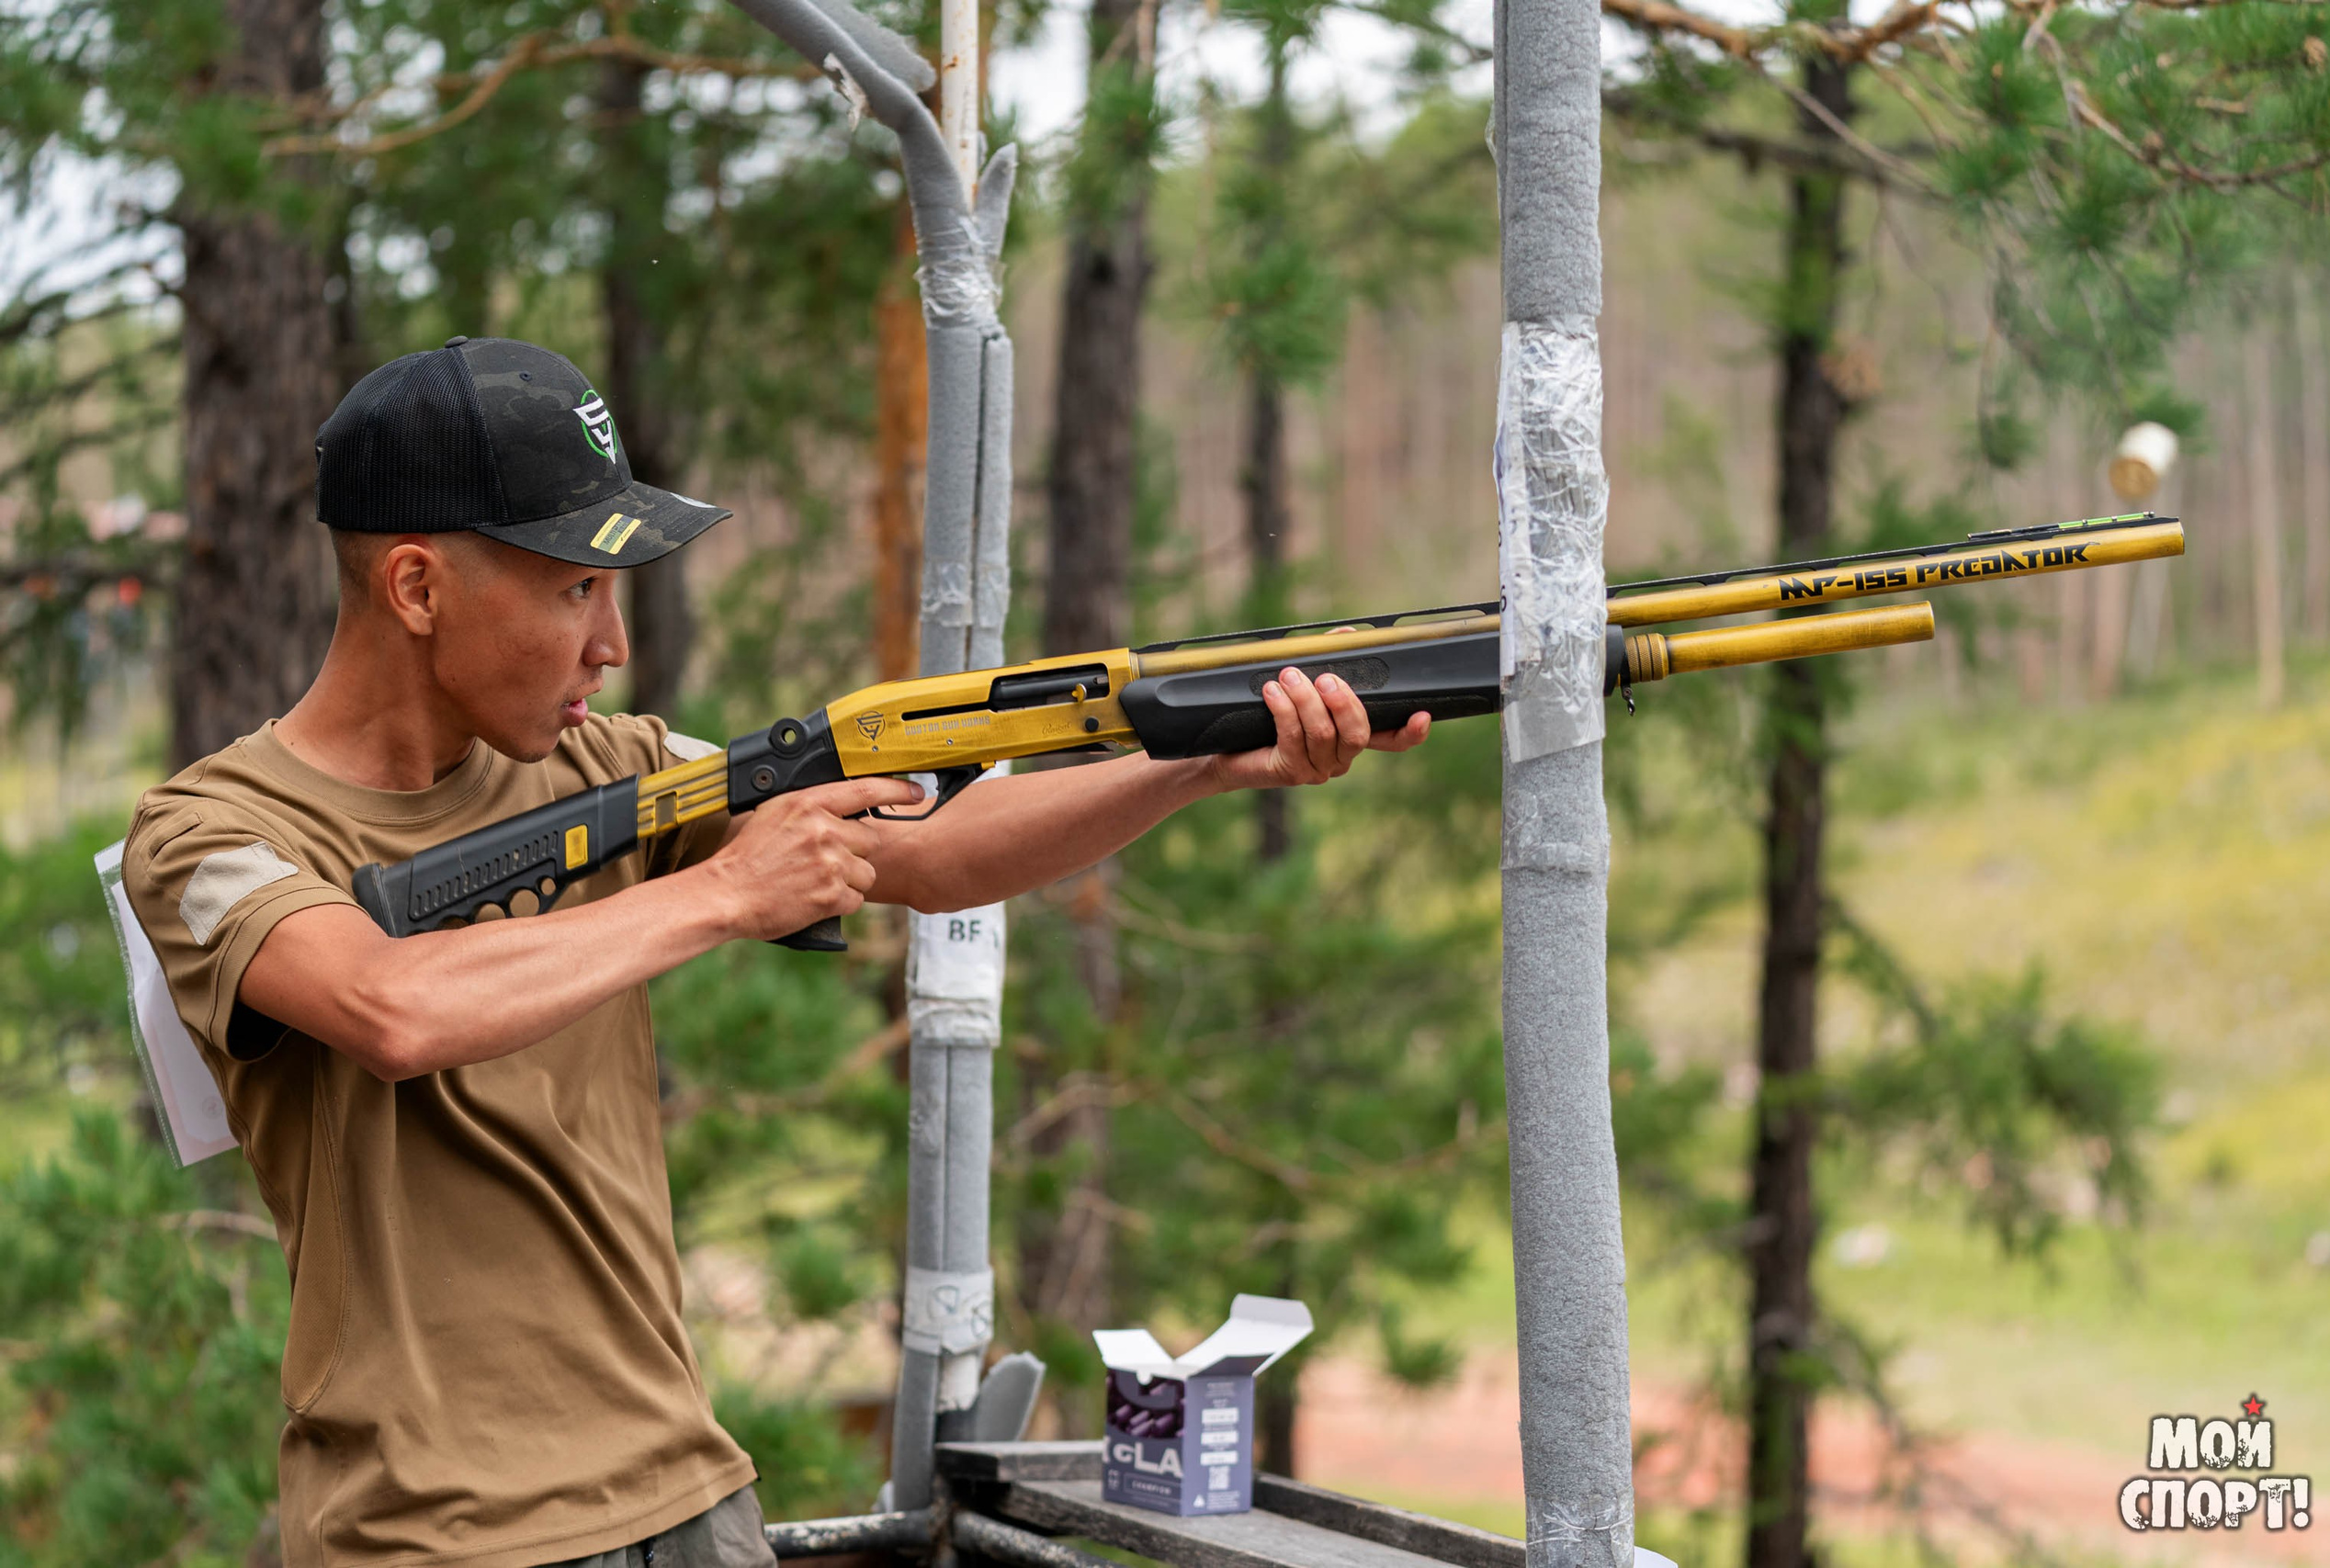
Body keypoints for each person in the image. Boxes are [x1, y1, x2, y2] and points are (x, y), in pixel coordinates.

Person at [120, 335, 1431, 1568]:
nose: (612, 644)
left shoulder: (615, 765)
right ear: (416, 585)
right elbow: (385, 1006)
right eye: (577, 588)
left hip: (688, 1498)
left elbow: (935, 852)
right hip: (432, 1533)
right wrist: (724, 897)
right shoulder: (211, 831)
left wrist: (1195, 761)